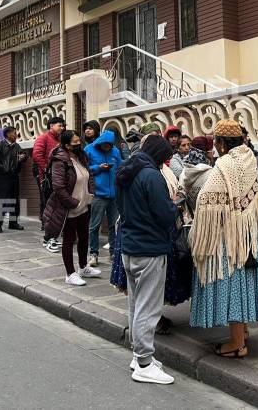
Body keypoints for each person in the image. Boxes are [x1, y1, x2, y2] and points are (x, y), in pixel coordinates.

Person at [189, 119, 258, 358]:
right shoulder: (249, 158)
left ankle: (237, 344)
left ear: (221, 143)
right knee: (245, 284)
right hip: (251, 235)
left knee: (232, 287)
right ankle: (243, 332)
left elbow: (207, 201)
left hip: (230, 238)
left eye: (216, 142)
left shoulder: (225, 165)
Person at [116, 135, 177, 384]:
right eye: (165, 159)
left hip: (129, 246)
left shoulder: (126, 170)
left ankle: (138, 355)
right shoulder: (151, 176)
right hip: (149, 248)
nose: (166, 164)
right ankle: (143, 362)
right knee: (148, 308)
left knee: (135, 304)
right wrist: (176, 207)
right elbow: (164, 214)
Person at [43, 130, 101, 285]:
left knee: (84, 237)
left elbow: (89, 176)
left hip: (84, 205)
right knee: (69, 239)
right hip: (69, 207)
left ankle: (83, 267)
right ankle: (70, 274)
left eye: (79, 141)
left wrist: (91, 193)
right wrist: (72, 203)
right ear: (67, 145)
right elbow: (58, 187)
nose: (78, 144)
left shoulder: (81, 156)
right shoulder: (60, 160)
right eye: (74, 142)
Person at [85, 129, 122, 267]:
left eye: (110, 145)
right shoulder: (89, 150)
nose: (108, 147)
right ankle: (93, 253)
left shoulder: (115, 152)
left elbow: (121, 167)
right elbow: (84, 168)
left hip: (114, 195)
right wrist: (98, 168)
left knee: (114, 225)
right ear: (101, 142)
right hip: (98, 194)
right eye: (105, 145)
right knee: (94, 225)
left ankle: (113, 253)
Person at [0, 127, 27, 233]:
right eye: (14, 133)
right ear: (8, 134)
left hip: (14, 176)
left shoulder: (17, 146)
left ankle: (13, 223)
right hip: (2, 178)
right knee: (2, 201)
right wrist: (2, 168)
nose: (16, 134)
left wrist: (24, 157)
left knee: (14, 201)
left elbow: (23, 155)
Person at [34, 116, 65, 244]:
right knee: (47, 203)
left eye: (63, 126)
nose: (62, 128)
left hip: (60, 177)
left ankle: (56, 228)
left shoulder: (61, 140)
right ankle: (47, 229)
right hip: (47, 178)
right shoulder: (43, 138)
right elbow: (37, 155)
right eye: (60, 125)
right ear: (51, 126)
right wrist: (47, 168)